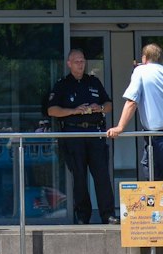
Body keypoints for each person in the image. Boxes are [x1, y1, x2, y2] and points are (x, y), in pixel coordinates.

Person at [106, 44, 163, 219]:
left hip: (160, 136)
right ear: (160, 59)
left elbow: (131, 101)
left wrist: (120, 127)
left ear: (144, 58)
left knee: (152, 176)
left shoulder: (140, 72)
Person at [46, 48, 115, 224]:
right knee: (79, 177)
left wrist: (98, 108)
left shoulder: (93, 82)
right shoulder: (62, 84)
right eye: (77, 61)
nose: (80, 64)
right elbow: (52, 110)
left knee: (102, 176)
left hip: (95, 133)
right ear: (69, 64)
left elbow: (108, 105)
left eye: (83, 61)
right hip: (74, 134)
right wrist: (73, 111)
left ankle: (108, 214)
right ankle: (83, 216)